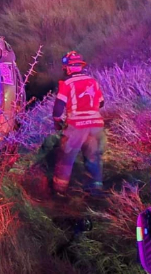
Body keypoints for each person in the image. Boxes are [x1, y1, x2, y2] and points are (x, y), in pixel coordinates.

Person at [51, 51, 106, 197]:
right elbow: (101, 102)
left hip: (76, 127)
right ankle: (95, 191)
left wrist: (57, 121)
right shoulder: (93, 82)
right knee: (93, 158)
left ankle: (59, 193)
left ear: (68, 67)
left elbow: (58, 109)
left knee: (66, 159)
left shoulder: (66, 84)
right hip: (96, 127)